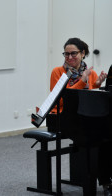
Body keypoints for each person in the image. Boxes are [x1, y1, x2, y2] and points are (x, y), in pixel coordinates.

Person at [50, 37, 112, 196]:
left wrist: (97, 84)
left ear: (83, 53)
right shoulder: (58, 72)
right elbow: (61, 99)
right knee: (92, 140)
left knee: (105, 140)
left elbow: (90, 96)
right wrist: (82, 80)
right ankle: (94, 183)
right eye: (66, 54)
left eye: (73, 54)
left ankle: (105, 182)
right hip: (64, 117)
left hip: (86, 117)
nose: (69, 57)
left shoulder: (90, 72)